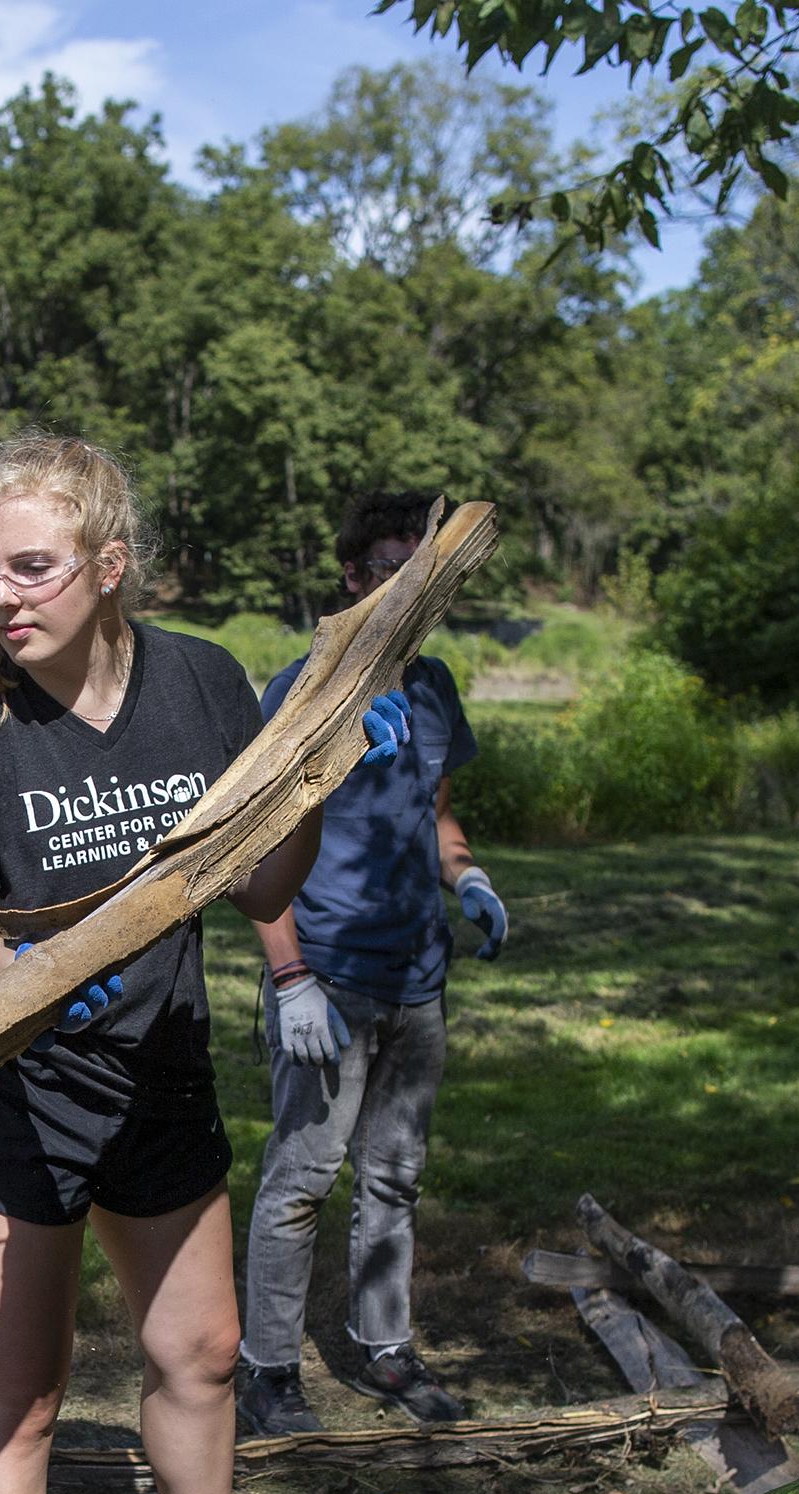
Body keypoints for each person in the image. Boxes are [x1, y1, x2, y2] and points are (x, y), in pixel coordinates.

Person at [0, 432, 408, 1494]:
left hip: (163, 1067)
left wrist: (318, 777)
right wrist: (29, 977)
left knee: (204, 1346)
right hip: (19, 1090)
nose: (3, 595)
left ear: (110, 565)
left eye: (36, 565)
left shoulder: (197, 681)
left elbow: (259, 878)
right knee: (24, 1382)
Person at [237, 488, 507, 1436]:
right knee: (302, 1180)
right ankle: (267, 1368)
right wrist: (290, 979)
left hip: (417, 978)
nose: (401, 597)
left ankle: (386, 1348)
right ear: (351, 581)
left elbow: (433, 810)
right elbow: (255, 847)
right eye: (385, 576)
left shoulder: (432, 688)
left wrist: (469, 879)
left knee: (395, 1175)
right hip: (329, 977)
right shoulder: (300, 690)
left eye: (417, 579)